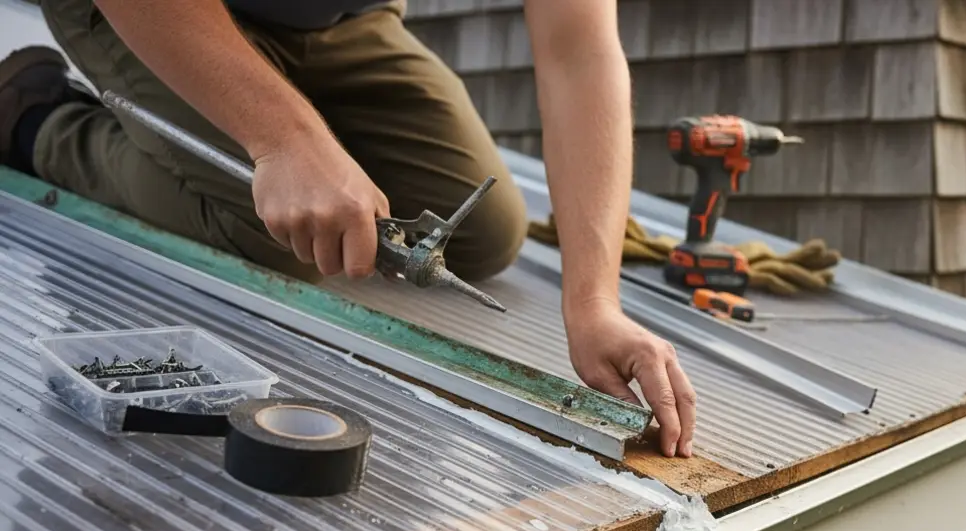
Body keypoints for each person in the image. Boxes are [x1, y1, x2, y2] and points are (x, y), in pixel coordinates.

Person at [0, 0, 698, 457]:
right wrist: (284, 140)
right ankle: (35, 118)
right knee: (269, 232)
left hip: (334, 15)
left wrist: (595, 304)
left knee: (484, 232)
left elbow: (579, 53)